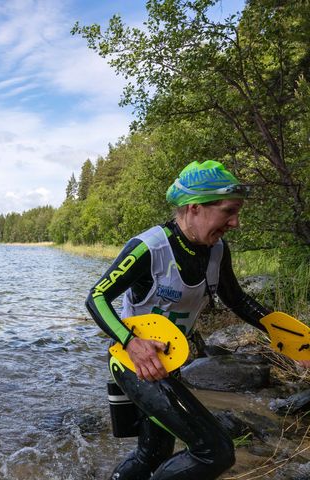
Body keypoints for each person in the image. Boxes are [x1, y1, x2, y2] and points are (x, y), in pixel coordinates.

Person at [85, 160, 309, 479]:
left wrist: (302, 344)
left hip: (170, 361)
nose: (235, 223)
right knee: (215, 452)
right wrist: (131, 343)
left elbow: (240, 301)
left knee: (153, 453)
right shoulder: (149, 248)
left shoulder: (216, 250)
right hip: (133, 362)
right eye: (229, 211)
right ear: (194, 208)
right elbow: (96, 297)